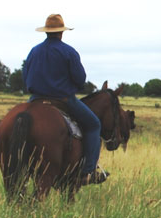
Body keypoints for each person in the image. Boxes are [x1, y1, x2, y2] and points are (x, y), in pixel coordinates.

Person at [23, 14, 109, 184]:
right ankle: (88, 172)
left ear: (46, 32)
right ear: (61, 32)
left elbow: (26, 77)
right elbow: (80, 79)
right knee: (94, 125)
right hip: (62, 100)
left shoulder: (34, 51)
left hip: (35, 100)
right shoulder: (69, 52)